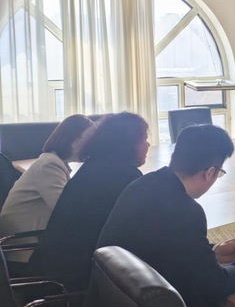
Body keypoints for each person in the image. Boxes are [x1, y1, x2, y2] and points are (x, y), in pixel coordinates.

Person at [97, 124, 235, 307]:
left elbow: (165, 248)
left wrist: (213, 252)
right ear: (209, 172)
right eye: (219, 173)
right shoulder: (185, 210)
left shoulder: (141, 185)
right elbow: (215, 285)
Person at [29, 112, 149, 291]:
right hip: (81, 278)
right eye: (144, 139)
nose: (147, 145)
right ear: (128, 143)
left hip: (56, 266)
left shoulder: (93, 167)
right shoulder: (125, 177)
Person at [0, 114, 95, 265]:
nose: (91, 146)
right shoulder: (49, 166)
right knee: (91, 252)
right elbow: (66, 211)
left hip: (25, 240)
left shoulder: (50, 161)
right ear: (73, 140)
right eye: (88, 140)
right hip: (24, 249)